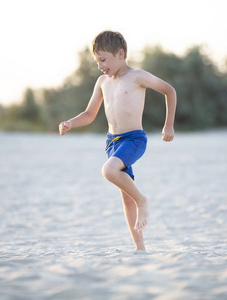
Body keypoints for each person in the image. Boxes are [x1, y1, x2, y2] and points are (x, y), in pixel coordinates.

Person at [59, 30, 177, 251]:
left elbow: (169, 91)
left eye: (103, 60)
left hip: (133, 139)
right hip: (112, 142)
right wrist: (70, 123)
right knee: (126, 198)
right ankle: (140, 248)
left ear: (120, 54)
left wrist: (168, 124)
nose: (99, 65)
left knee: (109, 171)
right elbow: (89, 114)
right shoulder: (102, 82)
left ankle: (143, 200)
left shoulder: (137, 76)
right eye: (96, 61)